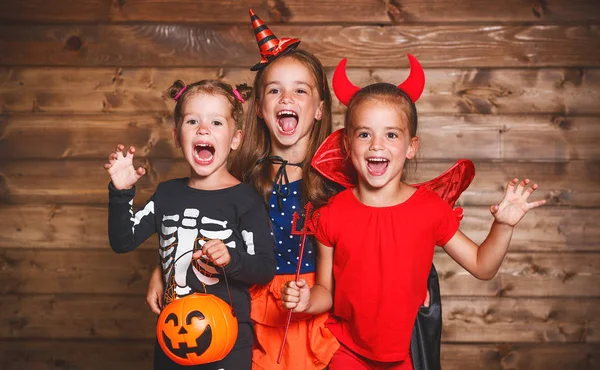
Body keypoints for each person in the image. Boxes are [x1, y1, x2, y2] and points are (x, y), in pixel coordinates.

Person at [281, 55, 546, 370]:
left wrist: (503, 226)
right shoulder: (331, 214)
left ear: (411, 147)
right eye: (365, 134)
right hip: (346, 352)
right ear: (349, 147)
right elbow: (327, 291)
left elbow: (482, 266)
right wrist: (307, 301)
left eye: (391, 135)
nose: (377, 145)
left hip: (408, 354)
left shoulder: (429, 208)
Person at [105, 79, 276, 370]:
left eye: (216, 122)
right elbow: (123, 241)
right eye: (193, 120)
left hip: (228, 339)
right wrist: (121, 194)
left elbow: (264, 267)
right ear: (177, 135)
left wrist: (231, 259)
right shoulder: (166, 194)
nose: (203, 129)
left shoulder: (246, 200)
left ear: (235, 139)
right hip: (172, 334)